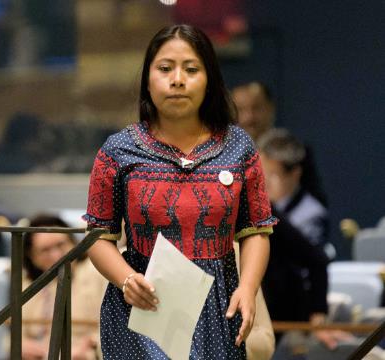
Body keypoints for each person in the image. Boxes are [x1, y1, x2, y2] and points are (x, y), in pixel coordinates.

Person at [84, 24, 277, 359]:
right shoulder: (117, 150)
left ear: (210, 79)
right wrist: (127, 280)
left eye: (191, 69)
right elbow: (98, 236)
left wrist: (247, 288)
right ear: (148, 79)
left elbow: (256, 230)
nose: (177, 79)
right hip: (144, 302)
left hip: (219, 302)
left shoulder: (239, 147)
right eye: (164, 68)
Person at [19, 214, 106, 360]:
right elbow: (13, 336)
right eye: (45, 250)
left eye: (60, 245)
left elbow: (115, 328)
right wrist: (22, 345)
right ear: (32, 257)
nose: (57, 255)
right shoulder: (28, 284)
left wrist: (91, 345)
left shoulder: (97, 272)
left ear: (73, 242)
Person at [231, 82, 328, 207]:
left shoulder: (297, 152)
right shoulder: (219, 157)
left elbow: (316, 204)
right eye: (240, 109)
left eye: (256, 108)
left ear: (271, 108)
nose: (249, 117)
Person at [257, 128, 334, 257]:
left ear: (295, 174)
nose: (264, 182)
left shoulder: (312, 215)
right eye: (260, 173)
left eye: (273, 175)